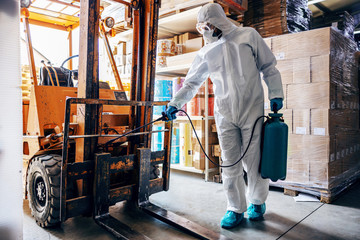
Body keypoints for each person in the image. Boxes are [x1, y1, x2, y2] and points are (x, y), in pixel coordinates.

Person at [166, 3, 284, 229]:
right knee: (229, 162)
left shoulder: (248, 36)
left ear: (218, 21)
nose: (206, 31)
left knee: (254, 160)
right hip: (224, 112)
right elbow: (191, 83)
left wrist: (276, 94)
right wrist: (175, 103)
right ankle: (234, 208)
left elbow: (269, 67)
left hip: (252, 108)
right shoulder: (206, 51)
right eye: (202, 28)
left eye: (208, 26)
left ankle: (257, 202)